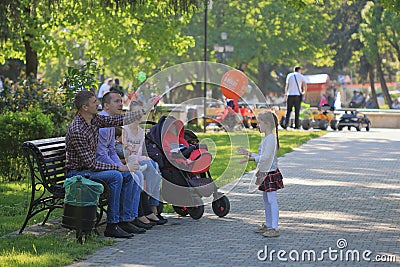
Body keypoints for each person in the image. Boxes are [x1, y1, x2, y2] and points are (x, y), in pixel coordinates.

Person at [65, 90, 157, 238]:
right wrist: (120, 167)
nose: (98, 104)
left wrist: (145, 109)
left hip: (89, 168)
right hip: (77, 173)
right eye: (95, 102)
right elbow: (91, 164)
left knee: (128, 175)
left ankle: (125, 220)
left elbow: (120, 120)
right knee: (116, 176)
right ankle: (112, 225)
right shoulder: (77, 130)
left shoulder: (93, 119)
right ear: (85, 107)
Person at [96, 91, 148, 234]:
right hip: (98, 166)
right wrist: (119, 167)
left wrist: (124, 166)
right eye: (117, 101)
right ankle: (116, 223)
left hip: (107, 163)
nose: (121, 104)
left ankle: (128, 218)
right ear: (106, 105)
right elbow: (100, 154)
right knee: (122, 176)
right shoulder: (102, 124)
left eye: (121, 101)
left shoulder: (110, 122)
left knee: (134, 174)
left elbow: (111, 150)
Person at [238, 111, 284, 238]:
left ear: (268, 124)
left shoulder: (271, 139)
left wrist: (251, 159)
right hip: (264, 172)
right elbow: (262, 156)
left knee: (271, 200)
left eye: (260, 123)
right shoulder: (267, 138)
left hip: (270, 173)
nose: (258, 125)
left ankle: (275, 227)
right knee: (266, 199)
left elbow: (266, 157)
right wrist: (249, 153)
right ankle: (269, 225)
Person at [123, 100, 167, 225]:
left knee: (155, 166)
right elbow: (125, 153)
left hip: (136, 160)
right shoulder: (124, 130)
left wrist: (146, 160)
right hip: (127, 162)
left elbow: (138, 153)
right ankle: (150, 208)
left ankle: (153, 206)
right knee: (149, 167)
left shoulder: (141, 133)